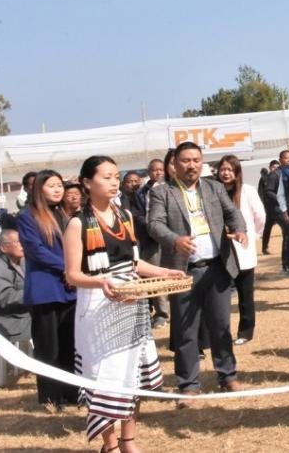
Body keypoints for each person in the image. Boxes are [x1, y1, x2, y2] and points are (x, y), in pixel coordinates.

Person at [63, 155, 186, 451]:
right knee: (105, 376)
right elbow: (72, 275)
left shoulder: (126, 216)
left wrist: (163, 271)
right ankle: (110, 444)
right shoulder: (78, 225)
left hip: (133, 303)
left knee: (133, 375)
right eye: (106, 176)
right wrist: (102, 282)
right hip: (97, 306)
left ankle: (128, 441)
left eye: (115, 176)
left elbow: (133, 262)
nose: (113, 181)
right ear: (87, 182)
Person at [148, 141, 248, 406]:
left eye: (196, 160)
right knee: (185, 330)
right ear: (175, 164)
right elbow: (155, 224)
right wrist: (175, 239)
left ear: (201, 163)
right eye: (185, 160)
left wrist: (240, 230)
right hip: (182, 272)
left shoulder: (214, 187)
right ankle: (188, 385)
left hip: (216, 267)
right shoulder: (162, 193)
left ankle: (228, 376)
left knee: (222, 326)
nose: (191, 165)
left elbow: (232, 213)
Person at [18, 169, 80, 407]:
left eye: (59, 185)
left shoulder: (65, 215)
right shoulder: (27, 216)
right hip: (46, 289)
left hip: (69, 288)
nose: (57, 190)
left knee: (70, 345)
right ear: (38, 189)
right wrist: (67, 267)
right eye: (51, 185)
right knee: (48, 347)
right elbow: (36, 250)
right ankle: (50, 397)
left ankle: (72, 393)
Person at [216, 154, 266, 346]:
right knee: (221, 295)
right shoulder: (214, 191)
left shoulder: (247, 191)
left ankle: (246, 331)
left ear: (237, 172)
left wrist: (254, 236)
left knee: (245, 294)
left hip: (242, 248)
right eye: (223, 169)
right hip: (221, 249)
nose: (226, 173)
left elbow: (260, 216)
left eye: (230, 169)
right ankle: (221, 333)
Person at [132, 156, 170, 328]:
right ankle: (162, 313)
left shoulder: (171, 188)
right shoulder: (141, 192)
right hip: (151, 240)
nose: (158, 172)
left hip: (172, 238)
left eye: (160, 169)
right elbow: (137, 215)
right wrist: (150, 225)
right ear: (148, 173)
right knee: (156, 276)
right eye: (154, 169)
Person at [0, 229, 32, 344]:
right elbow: (5, 298)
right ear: (3, 248)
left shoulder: (20, 262)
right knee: (50, 325)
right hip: (11, 320)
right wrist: (33, 293)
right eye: (17, 242)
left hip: (25, 313)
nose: (22, 245)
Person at [260, 159, 281, 255]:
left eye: (277, 167)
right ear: (270, 167)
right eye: (273, 167)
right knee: (267, 228)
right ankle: (264, 247)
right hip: (269, 208)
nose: (275, 169)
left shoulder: (280, 177)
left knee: (286, 228)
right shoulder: (264, 178)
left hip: (279, 208)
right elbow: (261, 193)